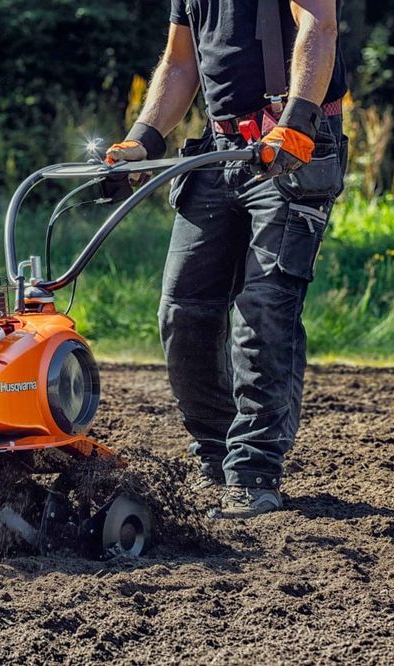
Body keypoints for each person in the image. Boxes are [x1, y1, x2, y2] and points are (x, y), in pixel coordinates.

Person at [105, 0, 348, 518]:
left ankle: (254, 471)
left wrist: (297, 120)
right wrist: (142, 140)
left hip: (295, 145)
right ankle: (216, 458)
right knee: (182, 309)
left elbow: (318, 26)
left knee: (263, 307)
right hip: (220, 151)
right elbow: (180, 63)